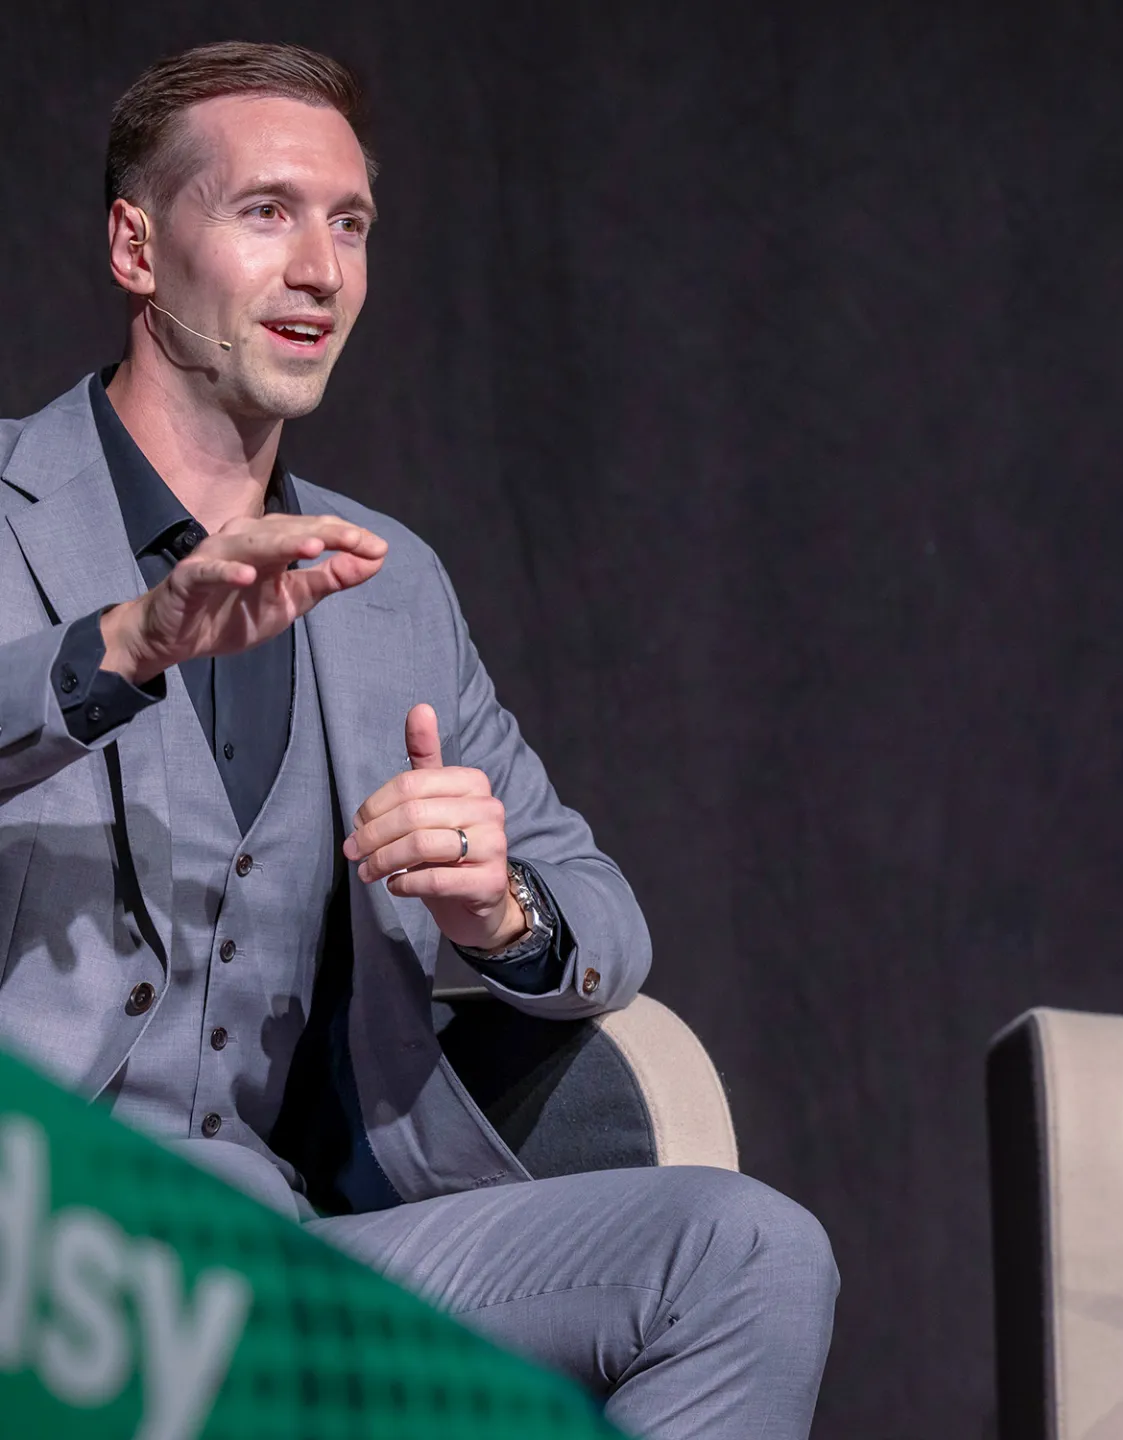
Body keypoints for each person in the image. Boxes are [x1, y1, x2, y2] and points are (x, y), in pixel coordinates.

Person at [0, 40, 837, 1439]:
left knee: (746, 1257)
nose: (320, 270)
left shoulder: (387, 586)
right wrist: (127, 644)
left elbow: (605, 920)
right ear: (136, 247)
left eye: (350, 224)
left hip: (274, 1259)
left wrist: (498, 911)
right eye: (267, 211)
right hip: (37, 1223)